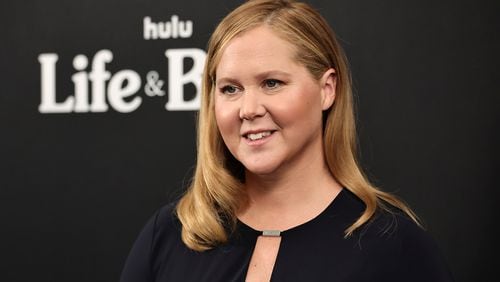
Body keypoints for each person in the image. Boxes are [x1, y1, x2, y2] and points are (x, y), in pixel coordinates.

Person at [120, 0, 454, 281]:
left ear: (327, 89)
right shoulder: (168, 235)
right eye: (230, 89)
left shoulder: (395, 247)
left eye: (272, 83)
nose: (248, 110)